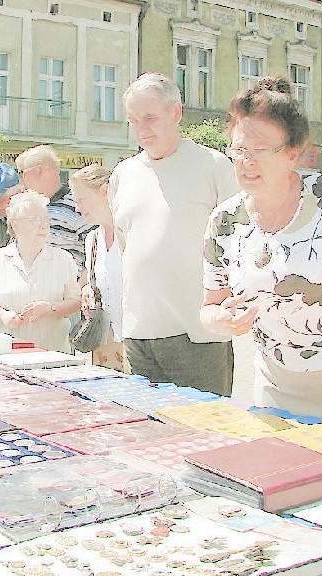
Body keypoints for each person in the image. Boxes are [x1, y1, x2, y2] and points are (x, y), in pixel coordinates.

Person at [201, 75, 322, 428]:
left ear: (293, 153)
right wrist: (222, 320)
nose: (245, 162)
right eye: (238, 149)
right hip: (276, 393)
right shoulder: (226, 220)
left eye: (259, 150)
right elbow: (210, 307)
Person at [109, 72, 240, 395]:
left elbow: (240, 242)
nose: (142, 128)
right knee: (148, 437)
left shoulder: (214, 166)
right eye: (133, 120)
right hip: (140, 334)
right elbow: (128, 245)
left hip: (196, 336)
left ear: (176, 113)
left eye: (150, 117)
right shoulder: (124, 174)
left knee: (205, 438)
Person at [0, 190, 81, 352]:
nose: (43, 226)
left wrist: (51, 308)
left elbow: (76, 303)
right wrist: (2, 316)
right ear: (15, 224)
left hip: (52, 354)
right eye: (34, 220)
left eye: (46, 220)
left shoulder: (63, 259)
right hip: (6, 353)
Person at [70, 164, 126, 371]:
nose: (77, 208)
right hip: (105, 342)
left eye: (81, 200)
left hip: (137, 340)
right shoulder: (92, 239)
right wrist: (87, 289)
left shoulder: (131, 233)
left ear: (104, 192)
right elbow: (93, 278)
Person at [15, 144, 93, 280]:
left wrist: (76, 294)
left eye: (21, 173)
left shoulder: (78, 205)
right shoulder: (27, 206)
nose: (20, 181)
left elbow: (95, 255)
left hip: (66, 296)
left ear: (39, 170)